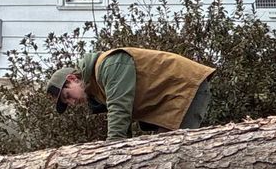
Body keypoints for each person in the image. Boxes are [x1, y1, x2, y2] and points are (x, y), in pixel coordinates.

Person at [46, 46, 218, 140]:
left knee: (174, 151)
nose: (72, 103)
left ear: (72, 79)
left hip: (185, 86)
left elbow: (120, 109)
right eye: (68, 103)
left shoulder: (109, 65)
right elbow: (122, 118)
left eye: (68, 96)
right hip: (172, 97)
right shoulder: (96, 88)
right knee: (163, 152)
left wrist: (113, 150)